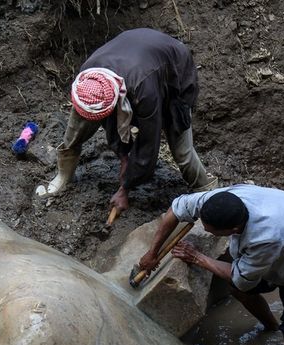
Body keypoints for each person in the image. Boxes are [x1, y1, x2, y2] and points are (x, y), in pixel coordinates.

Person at [137, 185, 284, 345]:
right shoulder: (217, 200)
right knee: (238, 291)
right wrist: (152, 252)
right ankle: (272, 327)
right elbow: (176, 209)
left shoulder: (265, 237)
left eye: (213, 232)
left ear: (234, 229)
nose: (208, 233)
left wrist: (197, 257)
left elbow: (241, 279)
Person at [35, 28, 216, 213]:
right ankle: (63, 175)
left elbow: (149, 144)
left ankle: (207, 192)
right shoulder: (88, 77)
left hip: (172, 70)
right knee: (75, 130)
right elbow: (110, 121)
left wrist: (125, 188)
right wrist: (123, 156)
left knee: (181, 149)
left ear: (114, 101)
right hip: (135, 58)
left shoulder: (144, 92)